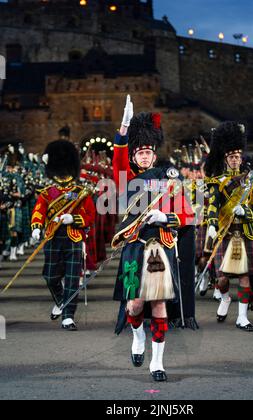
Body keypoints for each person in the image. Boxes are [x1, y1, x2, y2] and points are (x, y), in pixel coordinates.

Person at [112, 95, 196, 382]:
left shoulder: (167, 177)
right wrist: (123, 129)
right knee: (134, 304)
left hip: (162, 246)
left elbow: (187, 214)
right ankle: (137, 338)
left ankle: (157, 362)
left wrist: (166, 218)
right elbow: (118, 157)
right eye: (140, 152)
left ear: (154, 154)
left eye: (148, 151)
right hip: (135, 246)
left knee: (159, 304)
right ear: (134, 157)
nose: (145, 156)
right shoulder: (126, 178)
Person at [205, 122, 253, 332]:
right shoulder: (217, 181)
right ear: (225, 159)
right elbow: (212, 206)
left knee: (244, 277)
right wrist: (212, 225)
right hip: (225, 232)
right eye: (231, 156)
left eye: (237, 156)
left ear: (241, 158)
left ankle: (242, 317)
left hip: (245, 233)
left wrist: (245, 212)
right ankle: (224, 299)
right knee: (222, 279)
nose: (234, 159)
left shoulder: (252, 181)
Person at [31, 140, 96, 331]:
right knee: (50, 276)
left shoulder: (81, 192)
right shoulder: (47, 192)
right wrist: (36, 226)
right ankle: (61, 300)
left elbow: (90, 215)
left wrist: (73, 218)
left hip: (73, 238)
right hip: (53, 237)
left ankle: (68, 316)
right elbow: (38, 211)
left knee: (72, 278)